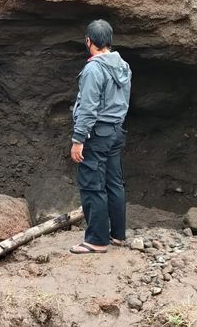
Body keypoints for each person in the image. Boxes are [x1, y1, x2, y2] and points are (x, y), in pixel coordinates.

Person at [69, 20, 132, 254]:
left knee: (92, 185)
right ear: (110, 40)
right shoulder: (123, 66)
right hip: (116, 131)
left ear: (88, 41)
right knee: (114, 183)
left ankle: (96, 240)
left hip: (97, 133)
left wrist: (78, 139)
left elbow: (88, 107)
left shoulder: (94, 69)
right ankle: (117, 235)